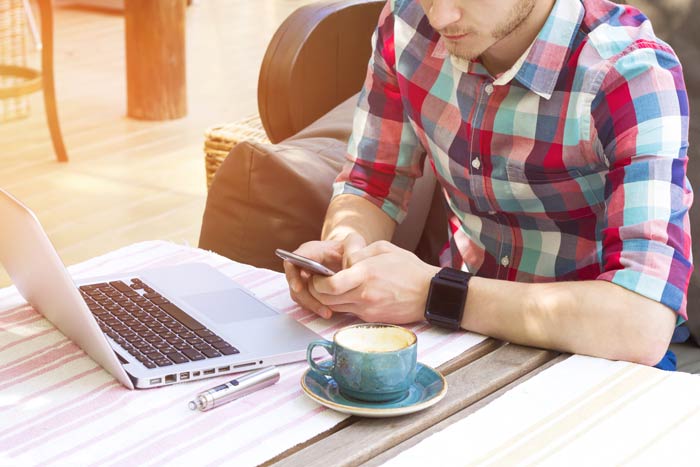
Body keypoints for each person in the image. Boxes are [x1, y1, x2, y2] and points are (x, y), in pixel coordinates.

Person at [282, 0, 693, 368]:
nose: (440, 16)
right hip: (454, 339)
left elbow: (643, 323)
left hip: (593, 357)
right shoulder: (407, 22)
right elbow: (370, 184)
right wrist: (346, 249)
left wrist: (435, 294)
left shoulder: (631, 73)